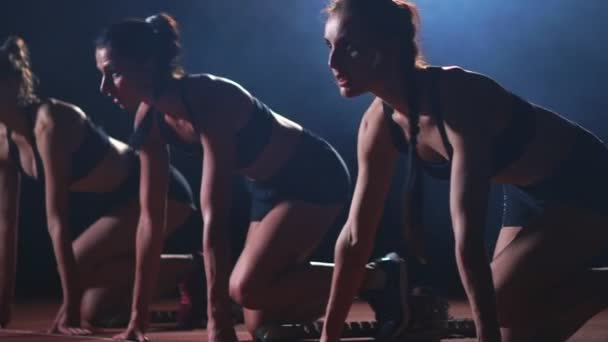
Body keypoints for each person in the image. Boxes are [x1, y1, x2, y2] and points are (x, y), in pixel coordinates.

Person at [321, 0, 608, 341]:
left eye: (349, 47)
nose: (332, 62)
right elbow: (355, 237)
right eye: (330, 46)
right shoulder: (377, 124)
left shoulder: (458, 99)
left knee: (499, 303)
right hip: (523, 193)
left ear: (389, 45)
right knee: (515, 320)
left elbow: (467, 240)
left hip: (586, 180)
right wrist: (330, 336)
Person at [94, 13, 354, 342]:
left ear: (146, 64)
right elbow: (149, 221)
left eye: (113, 73)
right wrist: (137, 321)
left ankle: (380, 278)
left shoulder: (208, 98)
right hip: (265, 188)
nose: (104, 87)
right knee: (257, 317)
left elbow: (214, 217)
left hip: (312, 175)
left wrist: (218, 320)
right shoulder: (149, 121)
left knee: (244, 288)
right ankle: (321, 289)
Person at [0, 36, 199, 340]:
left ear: (13, 83)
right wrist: (3, 301)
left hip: (158, 189)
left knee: (75, 270)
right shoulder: (3, 142)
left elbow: (57, 219)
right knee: (92, 310)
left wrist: (69, 304)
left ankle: (195, 269)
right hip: (117, 205)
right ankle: (181, 272)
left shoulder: (50, 122)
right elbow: (5, 223)